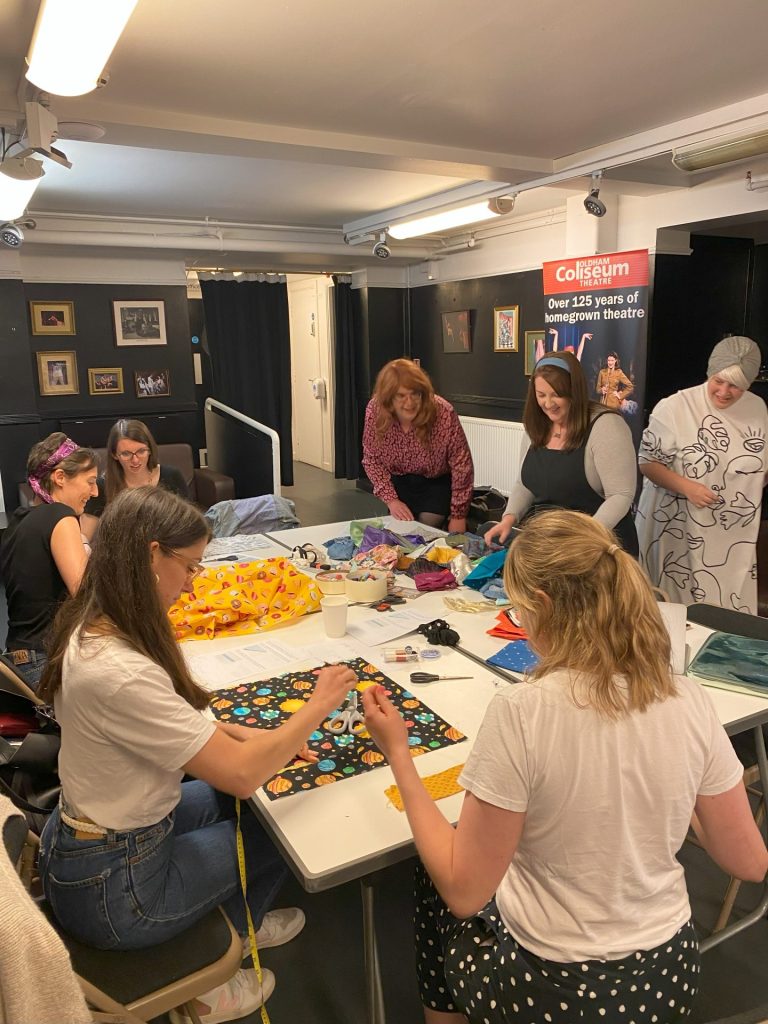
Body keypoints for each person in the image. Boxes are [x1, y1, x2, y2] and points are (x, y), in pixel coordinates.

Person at [362, 509, 768, 1024]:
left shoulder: (524, 711)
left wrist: (399, 754)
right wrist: (672, 789)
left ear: (544, 607)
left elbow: (466, 893)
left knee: (436, 868)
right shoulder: (686, 697)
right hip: (668, 978)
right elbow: (750, 863)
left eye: (517, 610)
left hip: (555, 991)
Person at [37, 487, 357, 1024]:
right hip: (117, 891)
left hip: (91, 843)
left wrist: (264, 736)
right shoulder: (121, 671)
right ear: (150, 555)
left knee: (254, 807)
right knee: (277, 833)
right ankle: (216, 976)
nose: (192, 583)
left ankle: (240, 923)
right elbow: (239, 775)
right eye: (189, 566)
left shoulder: (96, 622)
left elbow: (180, 729)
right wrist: (317, 705)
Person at [636, 336, 768, 612]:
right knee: (675, 607)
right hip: (677, 527)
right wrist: (687, 487)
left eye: (736, 386)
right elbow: (647, 462)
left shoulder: (758, 409)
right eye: (718, 381)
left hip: (732, 534)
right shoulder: (675, 407)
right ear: (710, 371)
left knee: (725, 608)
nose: (724, 391)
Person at [485, 351, 639, 554]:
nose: (548, 404)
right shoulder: (537, 426)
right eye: (541, 395)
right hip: (554, 546)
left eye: (556, 394)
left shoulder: (606, 426)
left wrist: (582, 538)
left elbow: (620, 495)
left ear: (573, 391)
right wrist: (509, 518)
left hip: (599, 546)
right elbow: (525, 484)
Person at [0, 434, 98, 689]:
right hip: (44, 660)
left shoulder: (18, 522)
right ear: (60, 477)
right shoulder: (60, 515)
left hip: (17, 659)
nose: (95, 492)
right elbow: (86, 593)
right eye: (90, 482)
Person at [362, 358, 474, 532]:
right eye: (401, 396)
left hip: (435, 483)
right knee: (399, 532)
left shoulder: (443, 412)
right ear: (388, 397)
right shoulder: (375, 411)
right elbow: (371, 460)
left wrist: (459, 515)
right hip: (399, 482)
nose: (409, 403)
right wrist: (391, 500)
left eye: (415, 394)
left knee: (424, 530)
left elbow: (462, 465)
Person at [81, 418, 189, 538]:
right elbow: (85, 535)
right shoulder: (101, 487)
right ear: (114, 455)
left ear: (150, 450)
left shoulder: (172, 476)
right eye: (126, 454)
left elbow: (188, 522)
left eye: (141, 451)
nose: (135, 460)